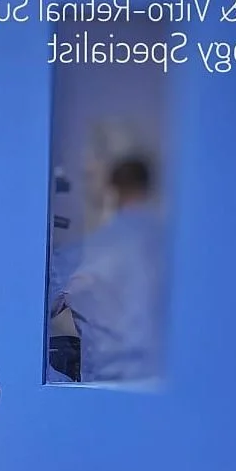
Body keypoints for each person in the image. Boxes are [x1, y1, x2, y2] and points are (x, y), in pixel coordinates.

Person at [49, 154, 166, 384]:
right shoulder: (175, 250)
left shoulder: (85, 253)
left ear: (112, 191)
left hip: (106, 389)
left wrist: (58, 382)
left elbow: (34, 313)